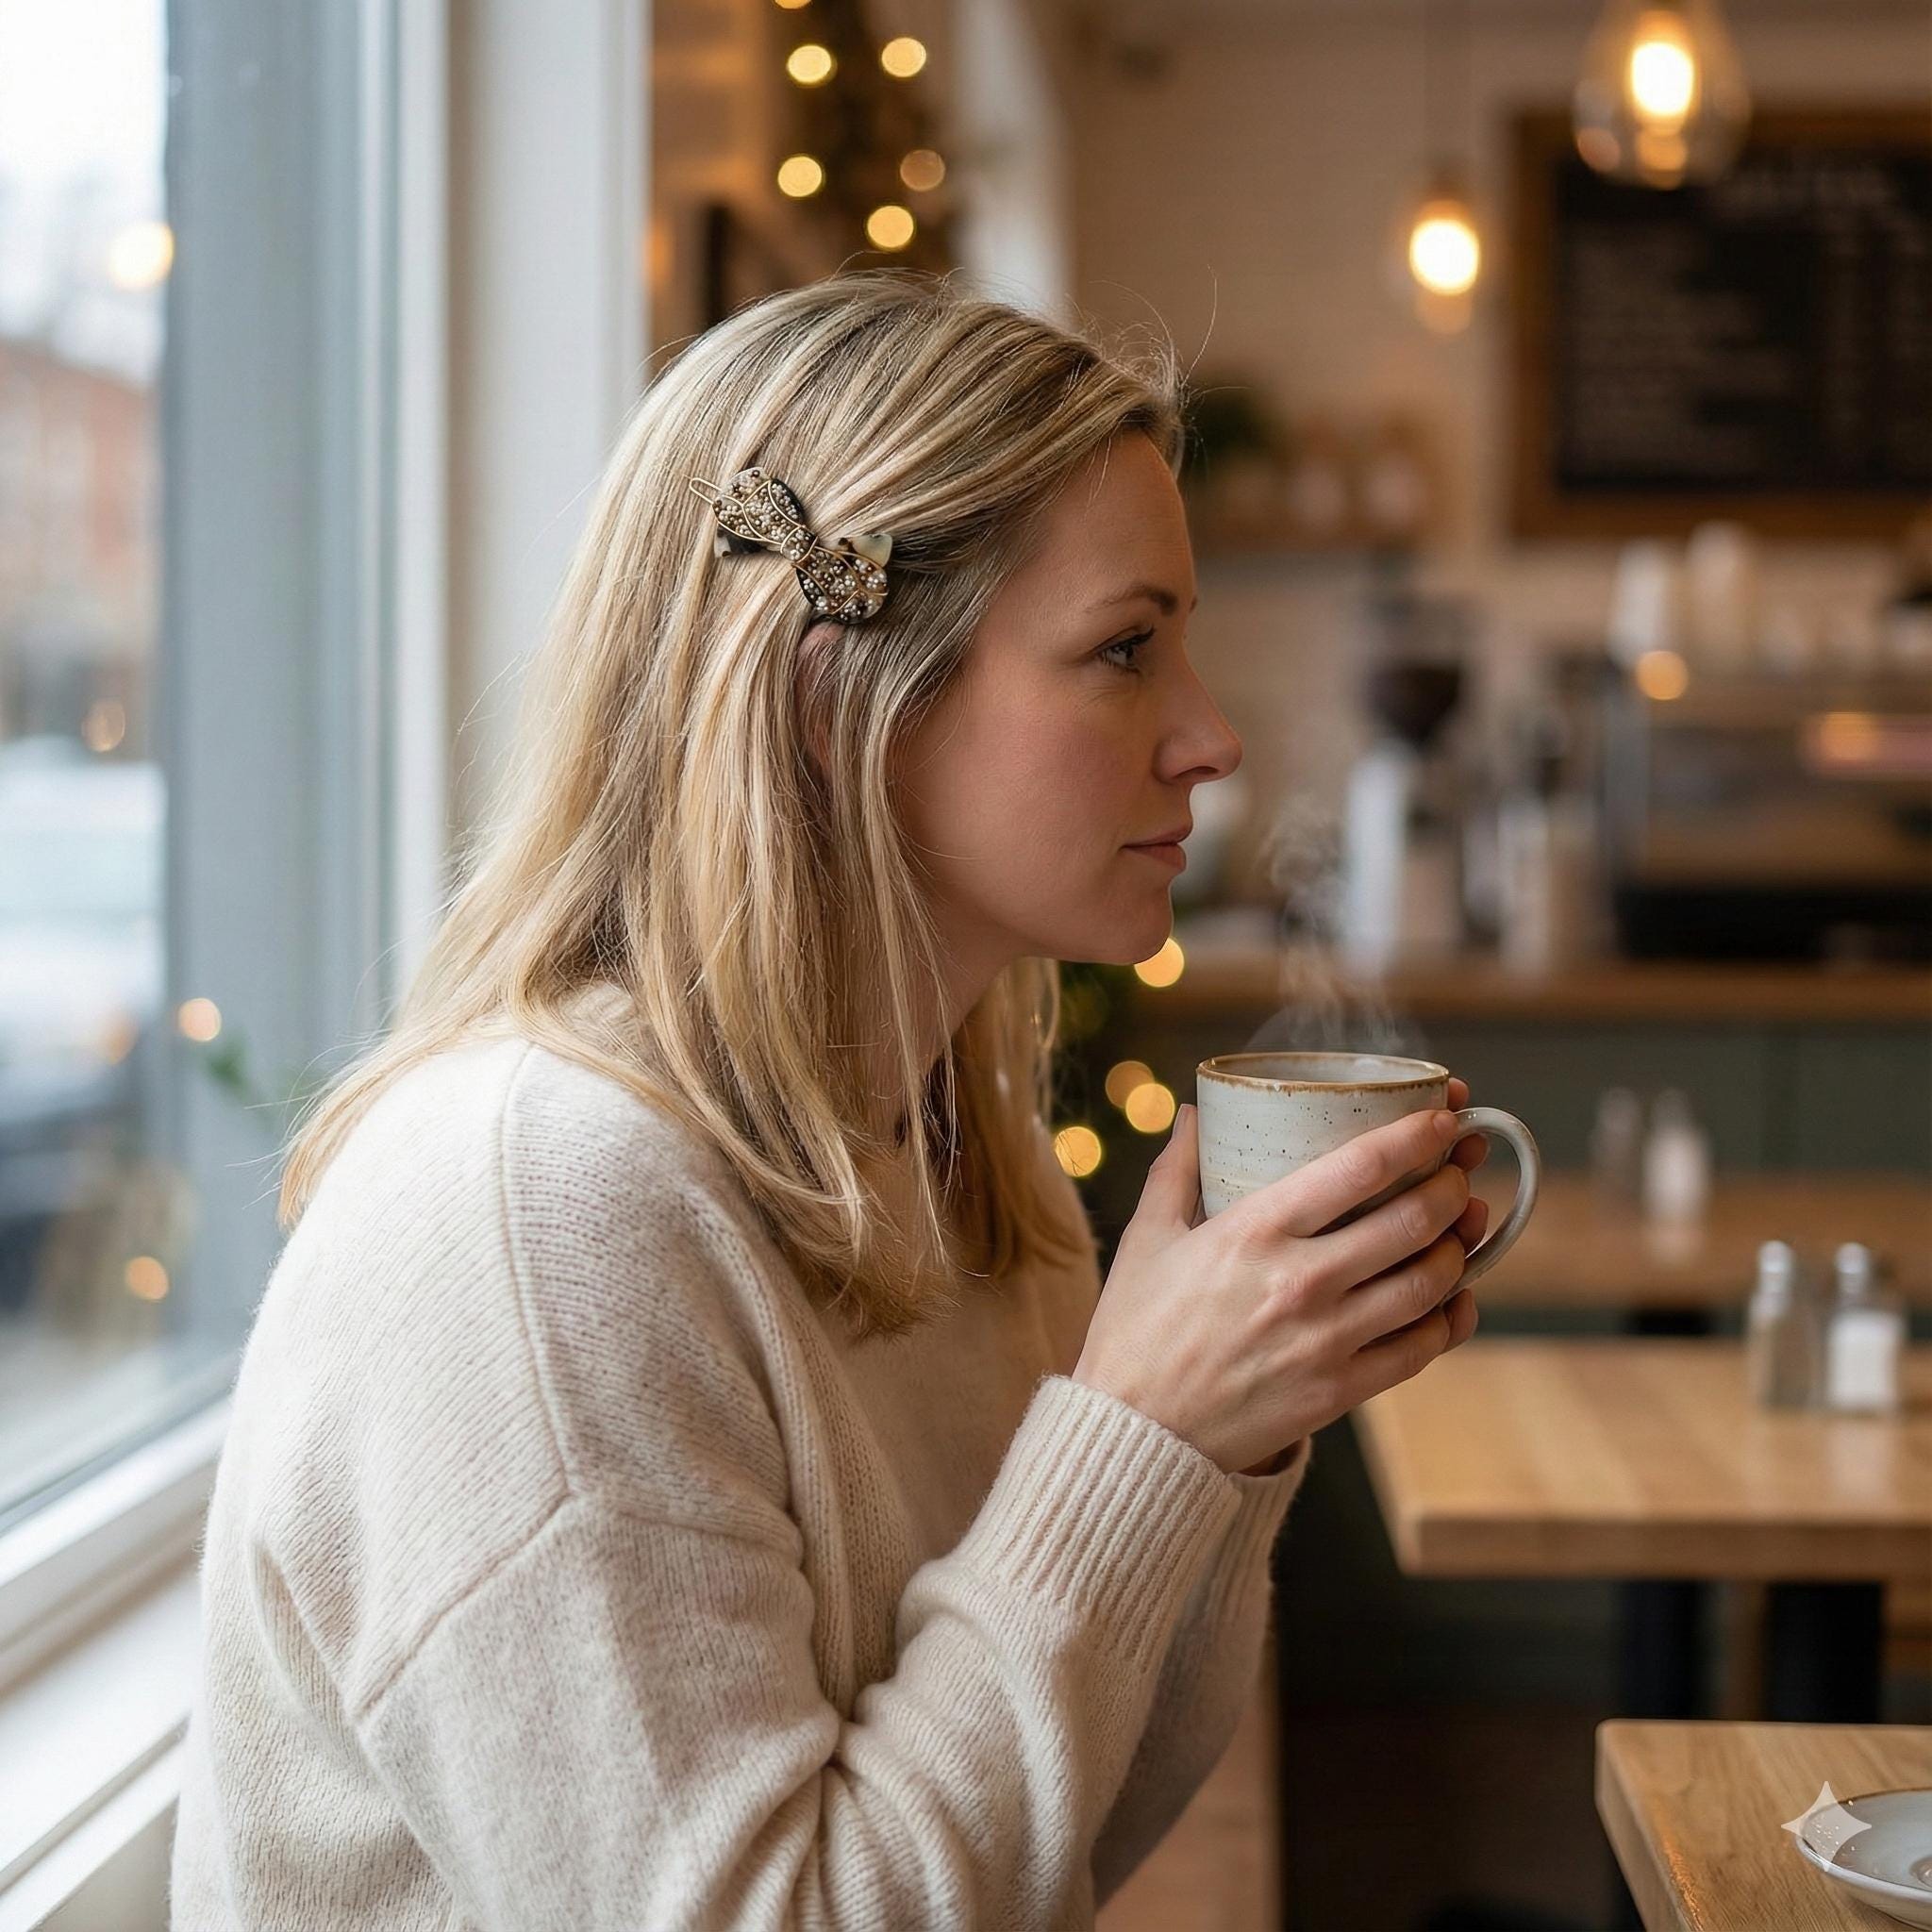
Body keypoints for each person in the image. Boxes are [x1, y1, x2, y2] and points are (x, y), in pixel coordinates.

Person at [169, 271, 1489, 1930]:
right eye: (1126, 650)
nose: (1212, 739)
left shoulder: (954, 1172)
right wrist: (1144, 1434)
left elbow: (1062, 1839)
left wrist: (1232, 1422)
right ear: (835, 695)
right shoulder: (530, 1214)